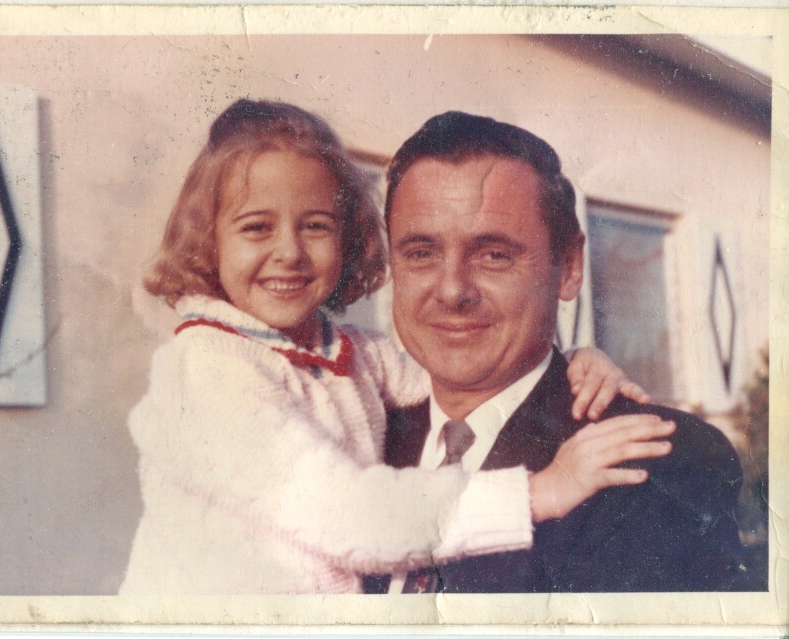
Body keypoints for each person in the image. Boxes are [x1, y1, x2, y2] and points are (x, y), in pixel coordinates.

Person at [119, 99, 675, 595]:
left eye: (315, 225)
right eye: (256, 228)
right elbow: (342, 515)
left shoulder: (346, 351)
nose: (289, 252)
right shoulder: (204, 369)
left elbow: (458, 371)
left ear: (349, 237)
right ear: (207, 241)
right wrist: (535, 494)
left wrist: (576, 361)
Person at [365, 111, 745, 593]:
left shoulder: (654, 462)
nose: (451, 290)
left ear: (568, 268)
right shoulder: (359, 441)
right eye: (421, 253)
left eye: (493, 255)